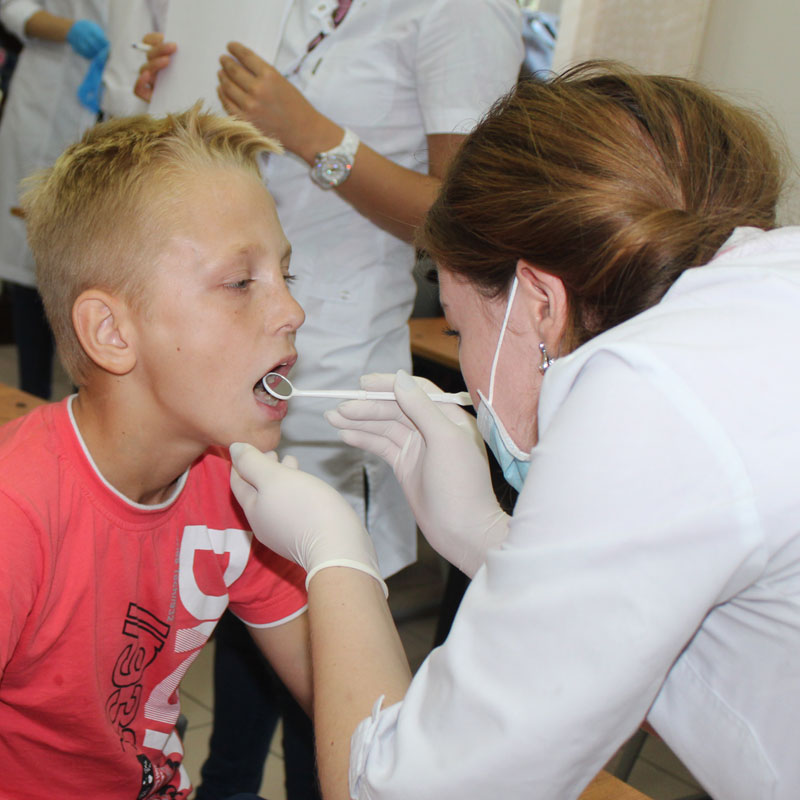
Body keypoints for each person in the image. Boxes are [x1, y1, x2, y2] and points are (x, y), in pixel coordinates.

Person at [228, 61, 800, 800]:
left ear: (539, 305)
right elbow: (631, 614)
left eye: (459, 325)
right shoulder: (758, 299)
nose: (465, 372)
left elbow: (404, 792)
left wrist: (334, 552)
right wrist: (481, 534)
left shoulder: (646, 399)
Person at [134, 3, 524, 797]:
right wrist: (167, 109)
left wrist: (316, 136)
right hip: (227, 357)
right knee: (244, 604)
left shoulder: (463, 14)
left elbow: (468, 222)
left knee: (330, 661)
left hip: (337, 364)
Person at [0, 106, 314, 799]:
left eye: (288, 275)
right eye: (242, 282)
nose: (292, 310)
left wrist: (338, 561)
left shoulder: (234, 488)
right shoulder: (15, 515)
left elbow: (350, 700)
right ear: (111, 332)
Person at [0, 0, 109, 399]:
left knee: (96, 263)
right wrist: (67, 29)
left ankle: (88, 402)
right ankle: (32, 393)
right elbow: (12, 7)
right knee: (31, 261)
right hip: (45, 100)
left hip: (113, 103)